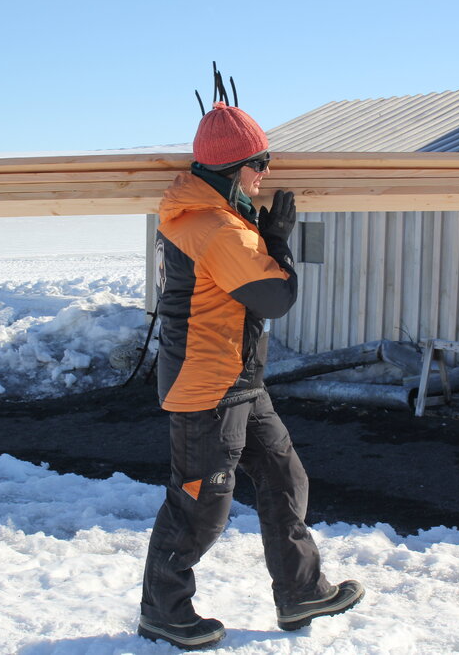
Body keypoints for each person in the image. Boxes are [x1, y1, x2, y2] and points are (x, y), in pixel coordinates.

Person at [138, 98, 364, 650]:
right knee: (200, 506)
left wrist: (260, 233)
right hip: (208, 386)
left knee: (285, 478)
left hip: (236, 377)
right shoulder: (217, 227)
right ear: (231, 168)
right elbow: (276, 298)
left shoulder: (211, 216)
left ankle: (302, 591)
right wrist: (279, 241)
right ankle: (163, 612)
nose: (266, 172)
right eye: (259, 163)